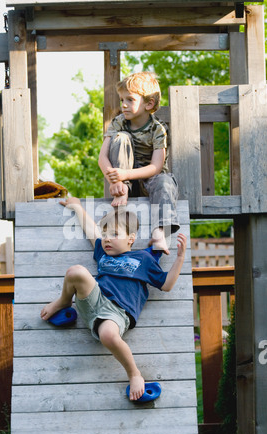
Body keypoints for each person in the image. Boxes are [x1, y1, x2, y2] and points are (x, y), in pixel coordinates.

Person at [40, 197, 187, 401]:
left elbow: (167, 284)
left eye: (114, 234)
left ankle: (134, 374)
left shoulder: (143, 259)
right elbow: (91, 231)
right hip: (94, 299)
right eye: (106, 234)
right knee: (77, 271)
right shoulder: (103, 253)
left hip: (117, 313)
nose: (107, 239)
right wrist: (77, 208)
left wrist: (179, 259)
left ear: (131, 238)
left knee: (108, 335)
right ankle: (64, 300)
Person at [98, 71, 180, 255]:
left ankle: (160, 232)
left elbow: (156, 167)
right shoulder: (119, 122)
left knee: (166, 180)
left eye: (130, 100)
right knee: (120, 138)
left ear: (148, 103)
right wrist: (117, 181)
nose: (124, 105)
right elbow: (102, 157)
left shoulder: (158, 129)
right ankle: (122, 191)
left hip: (150, 183)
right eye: (121, 100)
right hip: (125, 182)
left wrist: (126, 174)